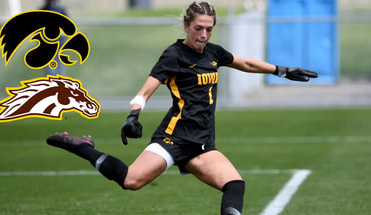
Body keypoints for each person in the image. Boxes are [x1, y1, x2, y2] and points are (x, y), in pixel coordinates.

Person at [46, 2, 317, 214]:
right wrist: (133, 115)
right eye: (199, 28)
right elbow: (145, 90)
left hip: (201, 145)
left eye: (209, 29)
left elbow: (244, 63)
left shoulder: (214, 52)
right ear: (187, 26)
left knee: (234, 185)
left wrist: (281, 70)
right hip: (172, 138)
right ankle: (82, 147)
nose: (204, 34)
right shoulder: (173, 55)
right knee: (130, 181)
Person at [39, 0, 67, 76]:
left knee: (59, 69)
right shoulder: (42, 11)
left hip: (59, 44)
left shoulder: (61, 10)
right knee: (50, 71)